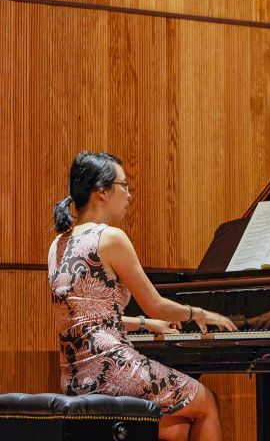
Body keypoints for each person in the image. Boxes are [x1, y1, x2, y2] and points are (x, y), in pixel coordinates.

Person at [48, 151, 237, 441]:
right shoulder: (109, 238)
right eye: (125, 186)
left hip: (75, 377)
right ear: (102, 191)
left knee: (176, 429)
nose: (129, 196)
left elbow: (89, 320)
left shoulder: (58, 244)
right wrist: (200, 313)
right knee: (207, 402)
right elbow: (157, 304)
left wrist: (147, 324)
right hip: (115, 369)